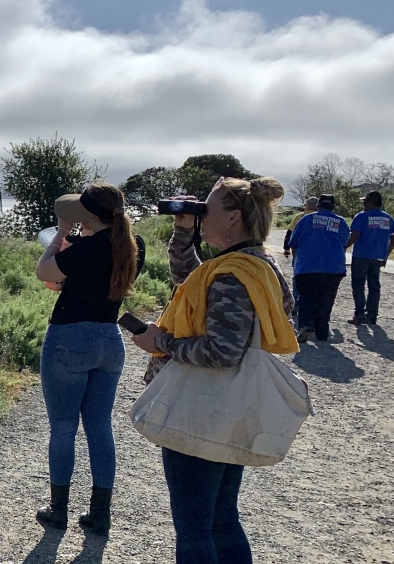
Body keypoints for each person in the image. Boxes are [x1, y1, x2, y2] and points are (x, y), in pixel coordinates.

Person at [131, 177, 296, 564]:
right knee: (221, 519)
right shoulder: (255, 264)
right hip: (230, 407)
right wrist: (184, 234)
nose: (202, 214)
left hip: (203, 409)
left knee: (195, 529)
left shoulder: (231, 274)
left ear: (234, 217)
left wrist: (162, 344)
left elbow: (222, 352)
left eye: (209, 208)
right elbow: (190, 282)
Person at [32, 183, 145, 536]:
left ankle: (58, 510)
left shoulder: (85, 247)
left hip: (69, 338)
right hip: (109, 340)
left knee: (64, 427)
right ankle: (100, 514)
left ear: (92, 216)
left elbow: (45, 273)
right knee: (99, 426)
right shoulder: (133, 246)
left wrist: (62, 234)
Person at [287, 194, 350, 342]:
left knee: (306, 297)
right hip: (333, 267)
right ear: (333, 207)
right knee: (326, 299)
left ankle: (305, 326)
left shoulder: (306, 220)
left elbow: (294, 242)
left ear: (318, 206)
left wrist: (297, 262)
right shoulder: (340, 222)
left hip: (308, 265)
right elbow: (345, 242)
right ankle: (322, 331)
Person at [345, 191, 393, 325]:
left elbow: (354, 235)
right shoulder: (388, 218)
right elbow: (393, 239)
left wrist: (344, 247)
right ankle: (372, 315)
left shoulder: (361, 217)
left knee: (358, 285)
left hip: (361, 256)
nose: (363, 204)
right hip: (378, 257)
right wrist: (386, 255)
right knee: (374, 285)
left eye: (365, 201)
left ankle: (359, 314)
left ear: (371, 202)